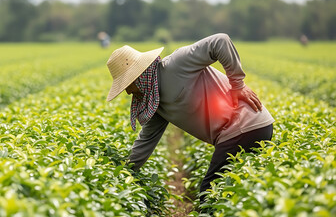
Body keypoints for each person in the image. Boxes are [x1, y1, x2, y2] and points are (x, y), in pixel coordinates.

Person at [105, 33, 274, 202]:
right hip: (242, 131)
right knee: (232, 192)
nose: (127, 91)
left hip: (244, 125)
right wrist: (123, 174)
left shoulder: (176, 64)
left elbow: (220, 41)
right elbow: (146, 141)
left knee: (208, 194)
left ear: (138, 76)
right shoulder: (154, 101)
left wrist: (238, 85)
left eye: (128, 85)